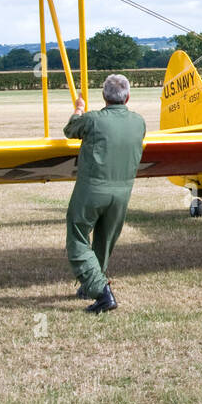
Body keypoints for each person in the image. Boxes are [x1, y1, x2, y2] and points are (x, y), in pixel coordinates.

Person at [64, 73, 147, 313]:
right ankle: (91, 283)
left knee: (78, 237)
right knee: (104, 240)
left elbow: (70, 130)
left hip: (92, 189)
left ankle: (102, 293)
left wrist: (79, 109)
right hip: (122, 193)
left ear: (103, 96)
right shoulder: (139, 122)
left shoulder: (92, 120)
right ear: (128, 96)